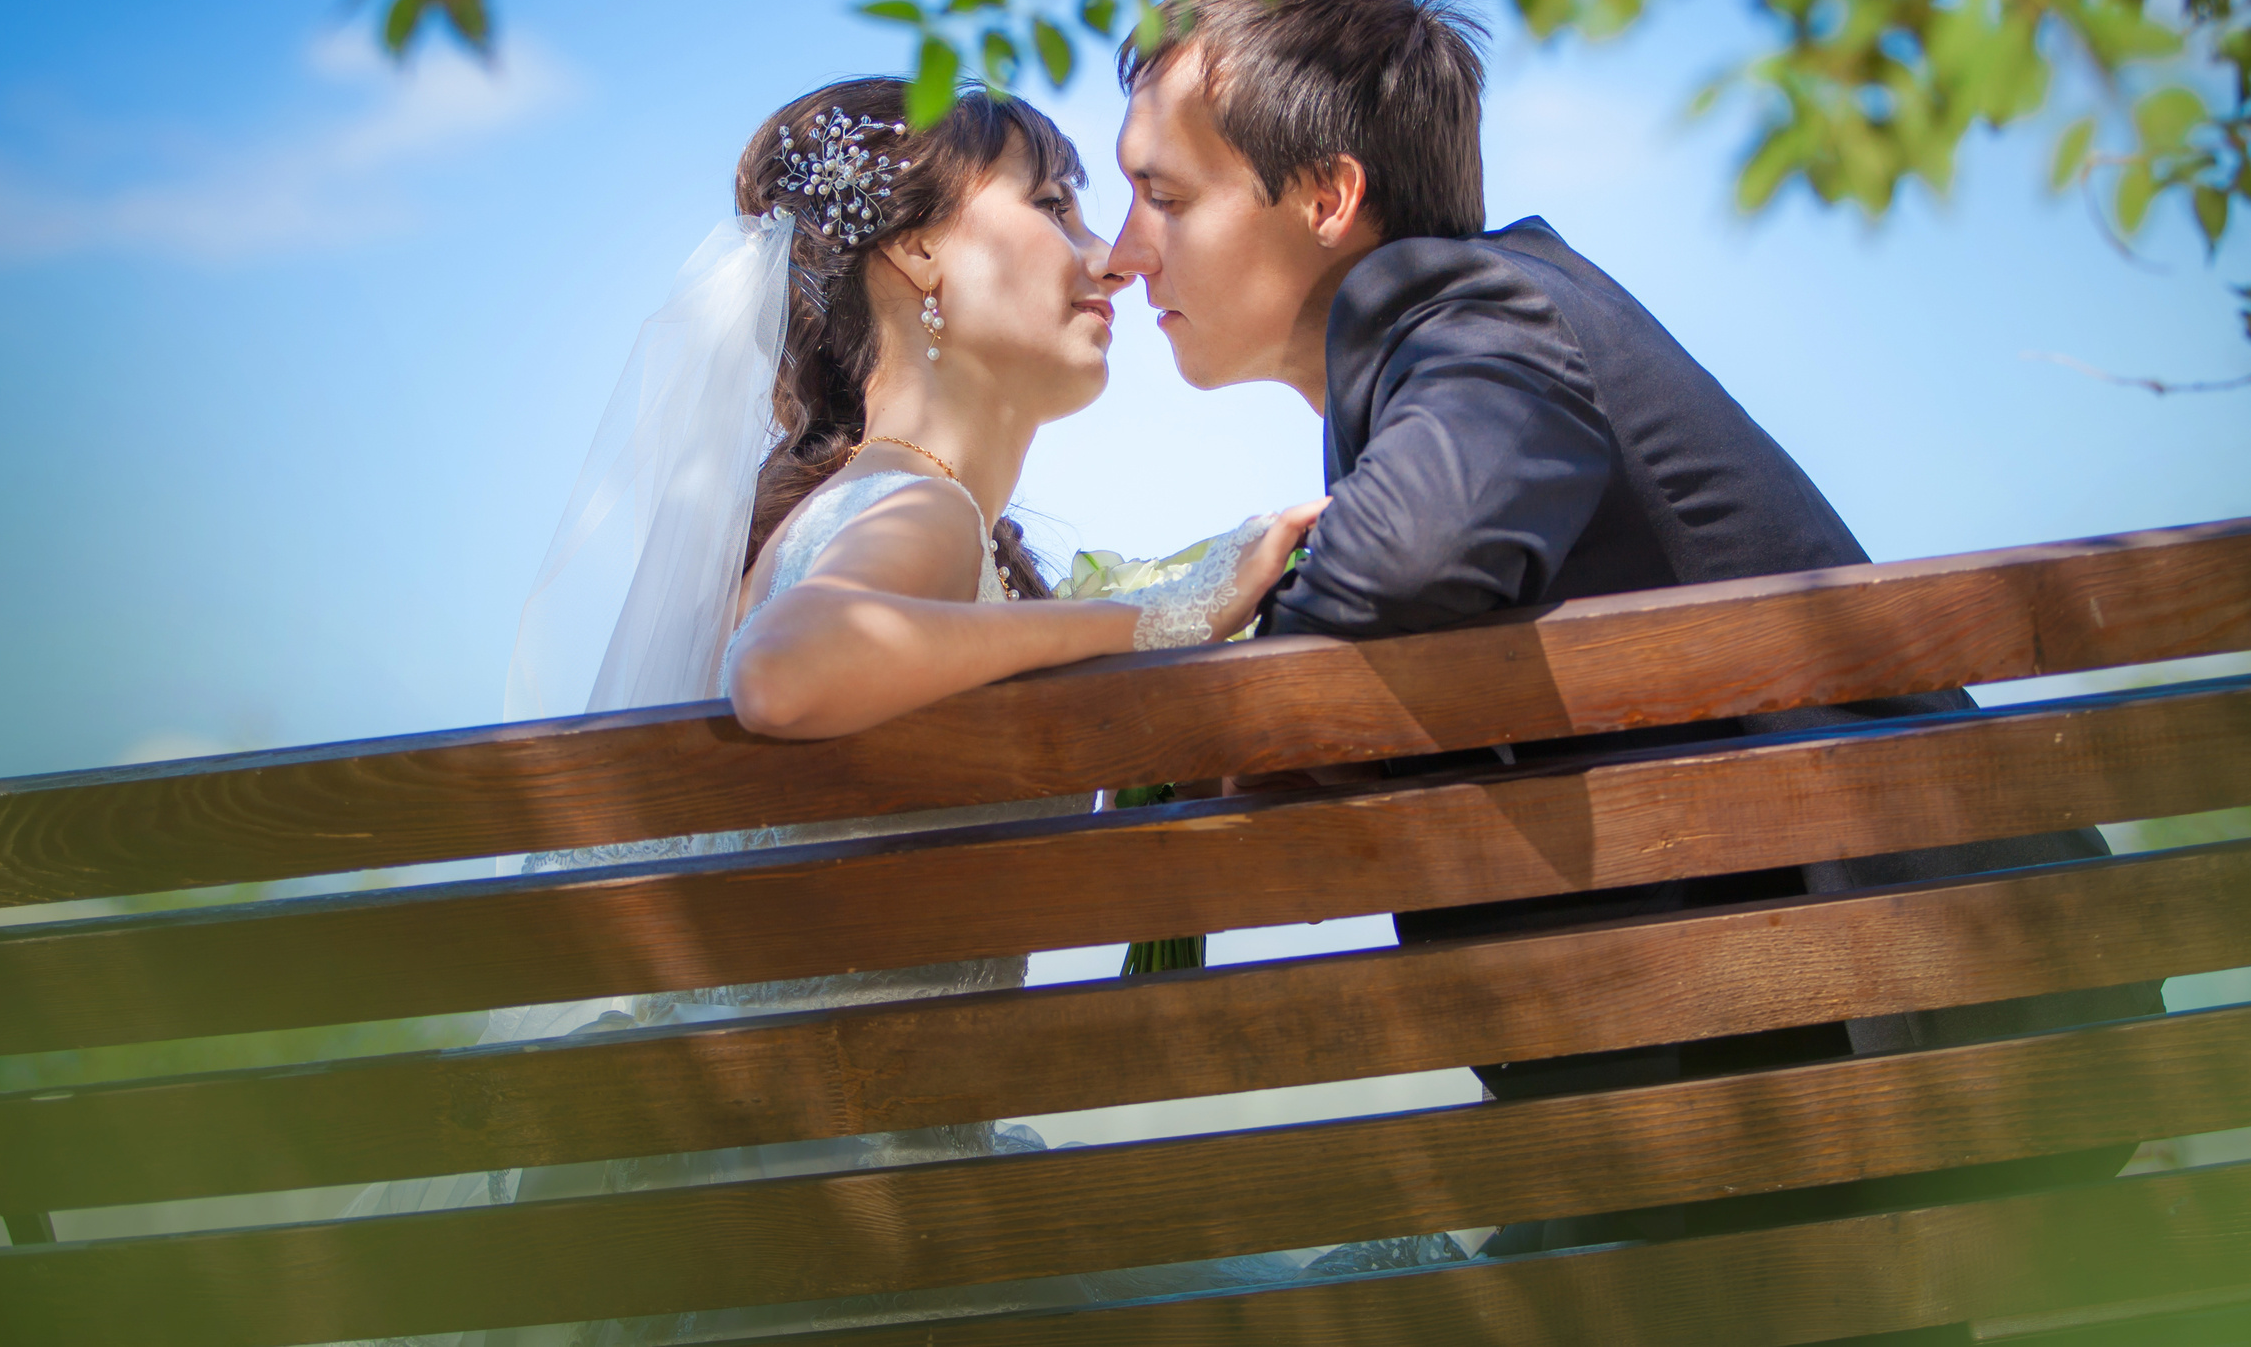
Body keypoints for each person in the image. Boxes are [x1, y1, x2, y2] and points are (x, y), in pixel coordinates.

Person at [1106, 0, 2163, 1256]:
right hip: (1846, 1054)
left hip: (1851, 1066)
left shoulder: (1460, 306)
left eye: (1162, 195)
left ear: (1327, 194)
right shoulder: (1491, 321)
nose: (1118, 251)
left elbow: (1424, 551)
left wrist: (1256, 659)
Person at [344, 78, 1434, 1347]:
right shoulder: (907, 510)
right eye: (1051, 200)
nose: (1106, 255)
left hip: (752, 1210)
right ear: (916, 251)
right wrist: (1166, 618)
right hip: (833, 1236)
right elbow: (789, 671)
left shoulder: (867, 517)